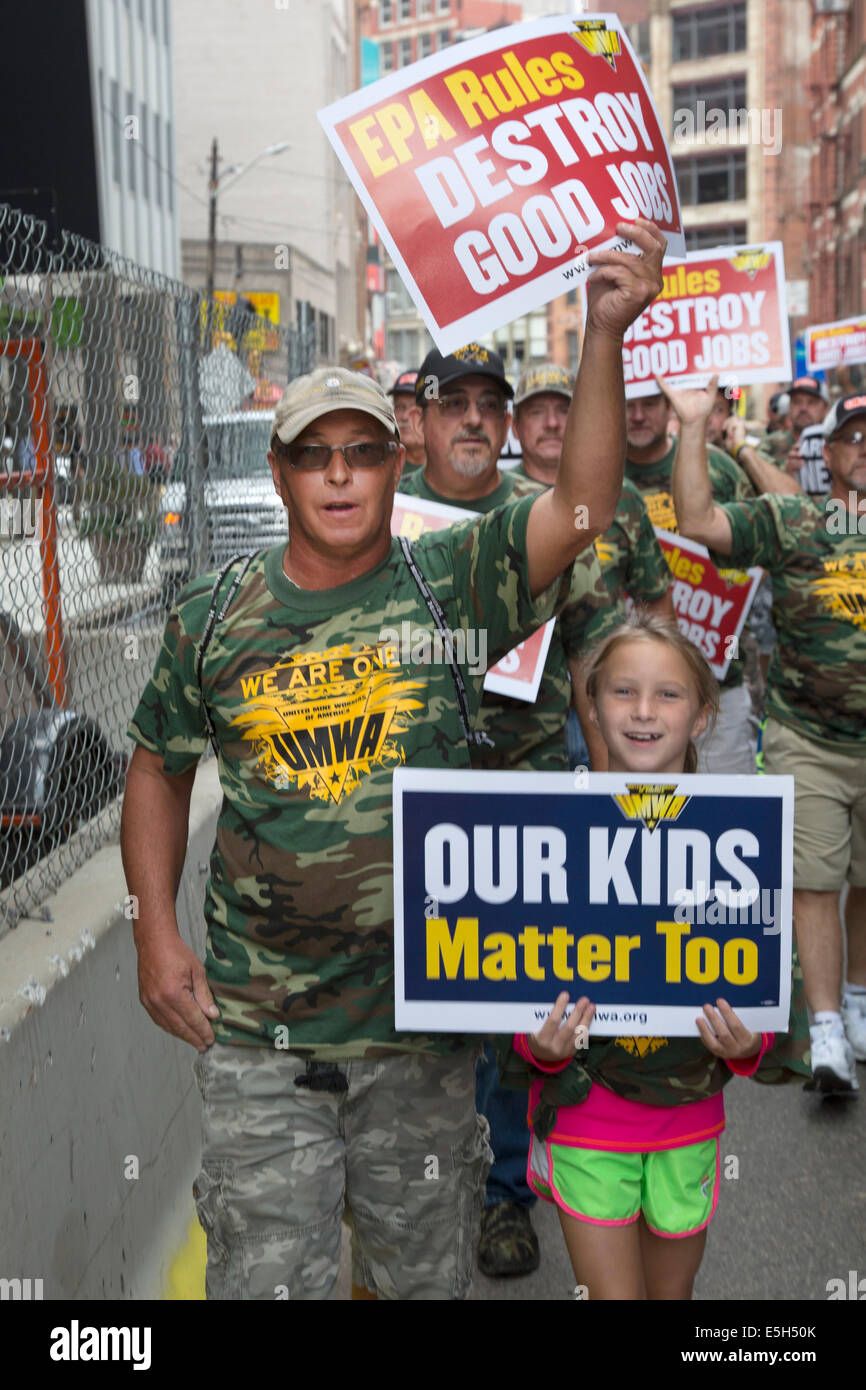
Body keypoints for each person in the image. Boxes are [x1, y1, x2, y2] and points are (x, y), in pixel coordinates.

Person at [120, 216, 668, 1300]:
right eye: (312, 454)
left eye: (361, 452)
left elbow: (581, 507)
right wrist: (153, 931)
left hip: (417, 1039)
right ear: (278, 472)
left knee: (420, 1284)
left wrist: (602, 332)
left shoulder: (451, 583)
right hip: (258, 1038)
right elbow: (154, 765)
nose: (337, 475)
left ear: (394, 460)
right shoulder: (212, 616)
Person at [501, 614, 808, 1300]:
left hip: (688, 1125)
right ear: (592, 707)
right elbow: (503, 970)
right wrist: (540, 1046)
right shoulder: (548, 833)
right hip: (586, 1121)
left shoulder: (740, 836)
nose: (643, 711)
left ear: (703, 716)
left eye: (668, 695)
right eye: (622, 692)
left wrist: (751, 1042)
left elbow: (772, 990)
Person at [402, 345, 620, 1278]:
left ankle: (500, 1198)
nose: (477, 420)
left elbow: (592, 662)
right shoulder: (375, 512)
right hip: (401, 804)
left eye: (492, 403)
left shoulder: (546, 524)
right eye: (456, 402)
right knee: (411, 1017)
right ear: (420, 412)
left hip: (520, 793)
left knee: (506, 1011)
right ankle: (411, 1199)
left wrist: (615, 797)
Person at [671, 385, 866, 1093]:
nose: (865, 447)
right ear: (830, 453)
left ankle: (857, 997)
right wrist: (695, 425)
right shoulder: (796, 519)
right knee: (814, 882)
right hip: (807, 736)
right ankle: (825, 1034)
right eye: (854, 436)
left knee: (864, 879)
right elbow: (697, 519)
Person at [622, 385, 758, 773]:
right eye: (629, 405)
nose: (638, 415)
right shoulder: (598, 473)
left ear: (669, 405)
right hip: (629, 696)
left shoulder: (717, 468)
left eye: (650, 404)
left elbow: (759, 550)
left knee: (725, 815)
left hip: (717, 689)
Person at [765, 376, 829, 477]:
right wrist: (786, 474)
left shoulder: (839, 446)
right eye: (797, 402)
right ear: (789, 406)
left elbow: (854, 490)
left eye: (811, 402)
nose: (803, 408)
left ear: (826, 408)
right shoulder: (768, 446)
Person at [388, 369, 425, 472]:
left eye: (415, 408)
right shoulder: (383, 467)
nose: (405, 416)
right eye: (400, 407)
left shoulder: (452, 467)